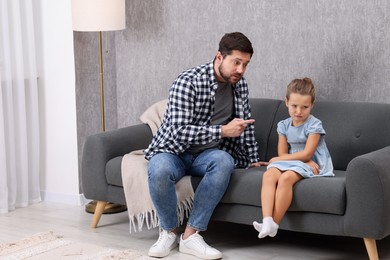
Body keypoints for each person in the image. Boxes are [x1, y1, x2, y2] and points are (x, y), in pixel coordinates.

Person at [144, 32, 265, 259]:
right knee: (158, 169)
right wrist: (222, 130)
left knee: (224, 161)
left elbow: (244, 124)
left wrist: (251, 160)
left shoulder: (239, 86)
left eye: (245, 64)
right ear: (219, 57)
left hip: (207, 154)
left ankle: (190, 235)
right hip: (174, 151)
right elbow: (179, 131)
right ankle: (168, 231)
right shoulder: (187, 81)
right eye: (236, 62)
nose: (241, 70)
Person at [253, 77, 334, 239]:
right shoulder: (283, 125)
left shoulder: (314, 125)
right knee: (269, 174)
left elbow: (308, 154)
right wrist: (280, 160)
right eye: (294, 106)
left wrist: (282, 160)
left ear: (312, 105)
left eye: (305, 107)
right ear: (286, 102)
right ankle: (267, 220)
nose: (299, 111)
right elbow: (282, 154)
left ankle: (275, 223)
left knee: (286, 178)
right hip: (293, 160)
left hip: (314, 163)